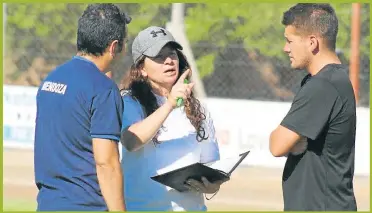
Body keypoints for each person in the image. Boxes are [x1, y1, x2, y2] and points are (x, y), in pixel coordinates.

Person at [34, 4, 131, 211]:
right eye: (125, 43)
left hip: (48, 204)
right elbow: (107, 164)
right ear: (114, 47)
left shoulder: (51, 80)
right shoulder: (103, 89)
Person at [119, 26, 224, 211]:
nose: (169, 61)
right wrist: (169, 105)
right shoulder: (130, 102)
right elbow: (130, 141)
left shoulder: (198, 108)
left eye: (172, 54)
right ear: (142, 69)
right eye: (159, 56)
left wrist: (213, 185)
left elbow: (208, 163)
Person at [269, 3, 357, 211]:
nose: (285, 48)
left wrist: (295, 141)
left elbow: (277, 145)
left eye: (289, 41)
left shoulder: (322, 86)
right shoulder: (330, 80)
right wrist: (296, 141)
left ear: (312, 42)